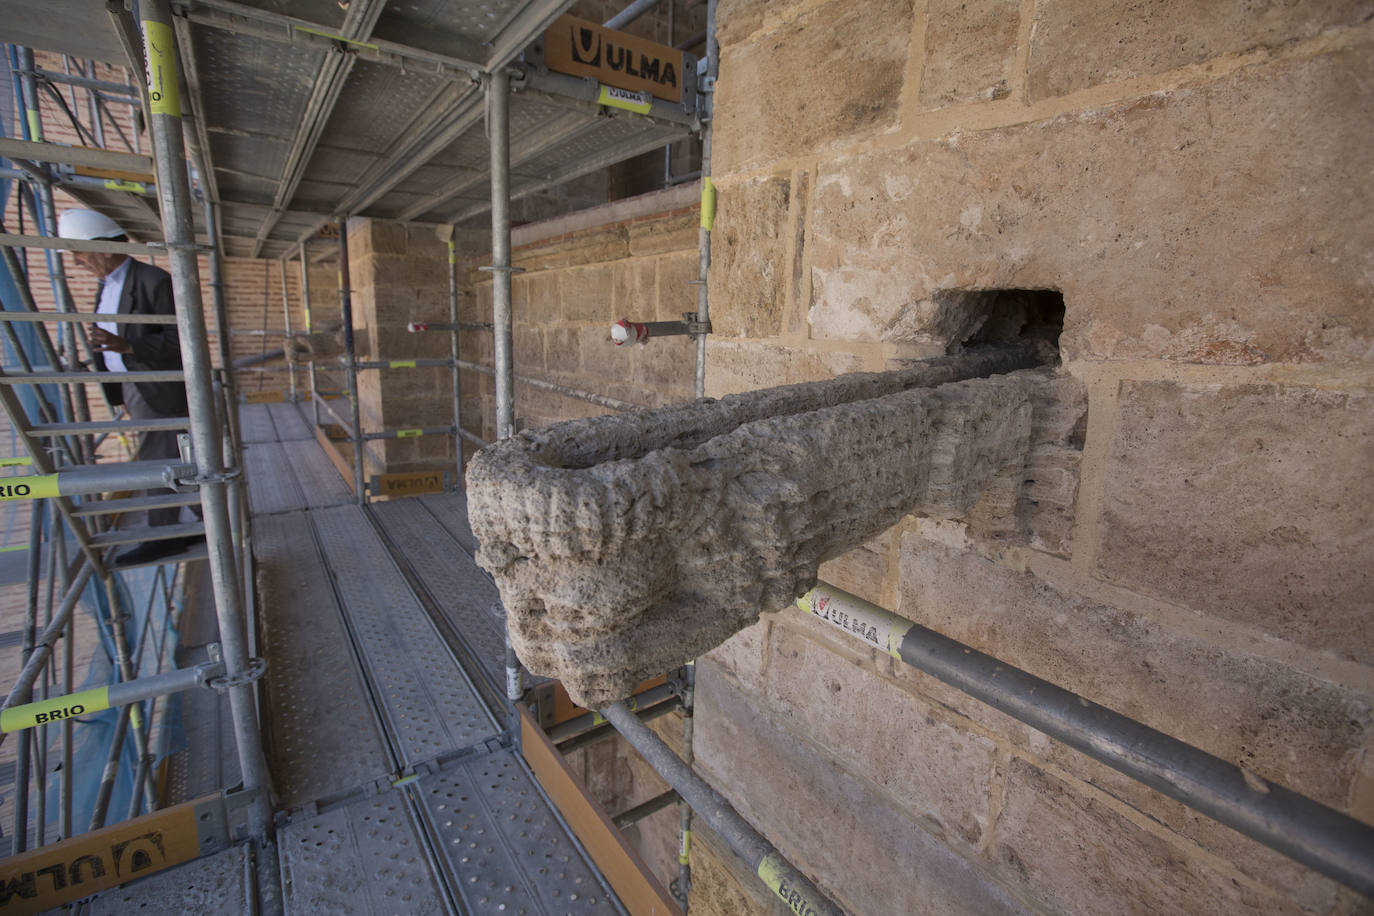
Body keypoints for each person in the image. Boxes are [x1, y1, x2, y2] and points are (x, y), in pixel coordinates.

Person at [57, 209, 200, 564]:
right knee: (168, 457)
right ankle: (207, 518)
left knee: (158, 461)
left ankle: (164, 534)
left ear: (104, 248)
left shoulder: (153, 281)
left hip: (155, 387)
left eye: (79, 252)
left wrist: (129, 347)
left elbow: (181, 339)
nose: (76, 262)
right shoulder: (108, 285)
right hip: (133, 388)